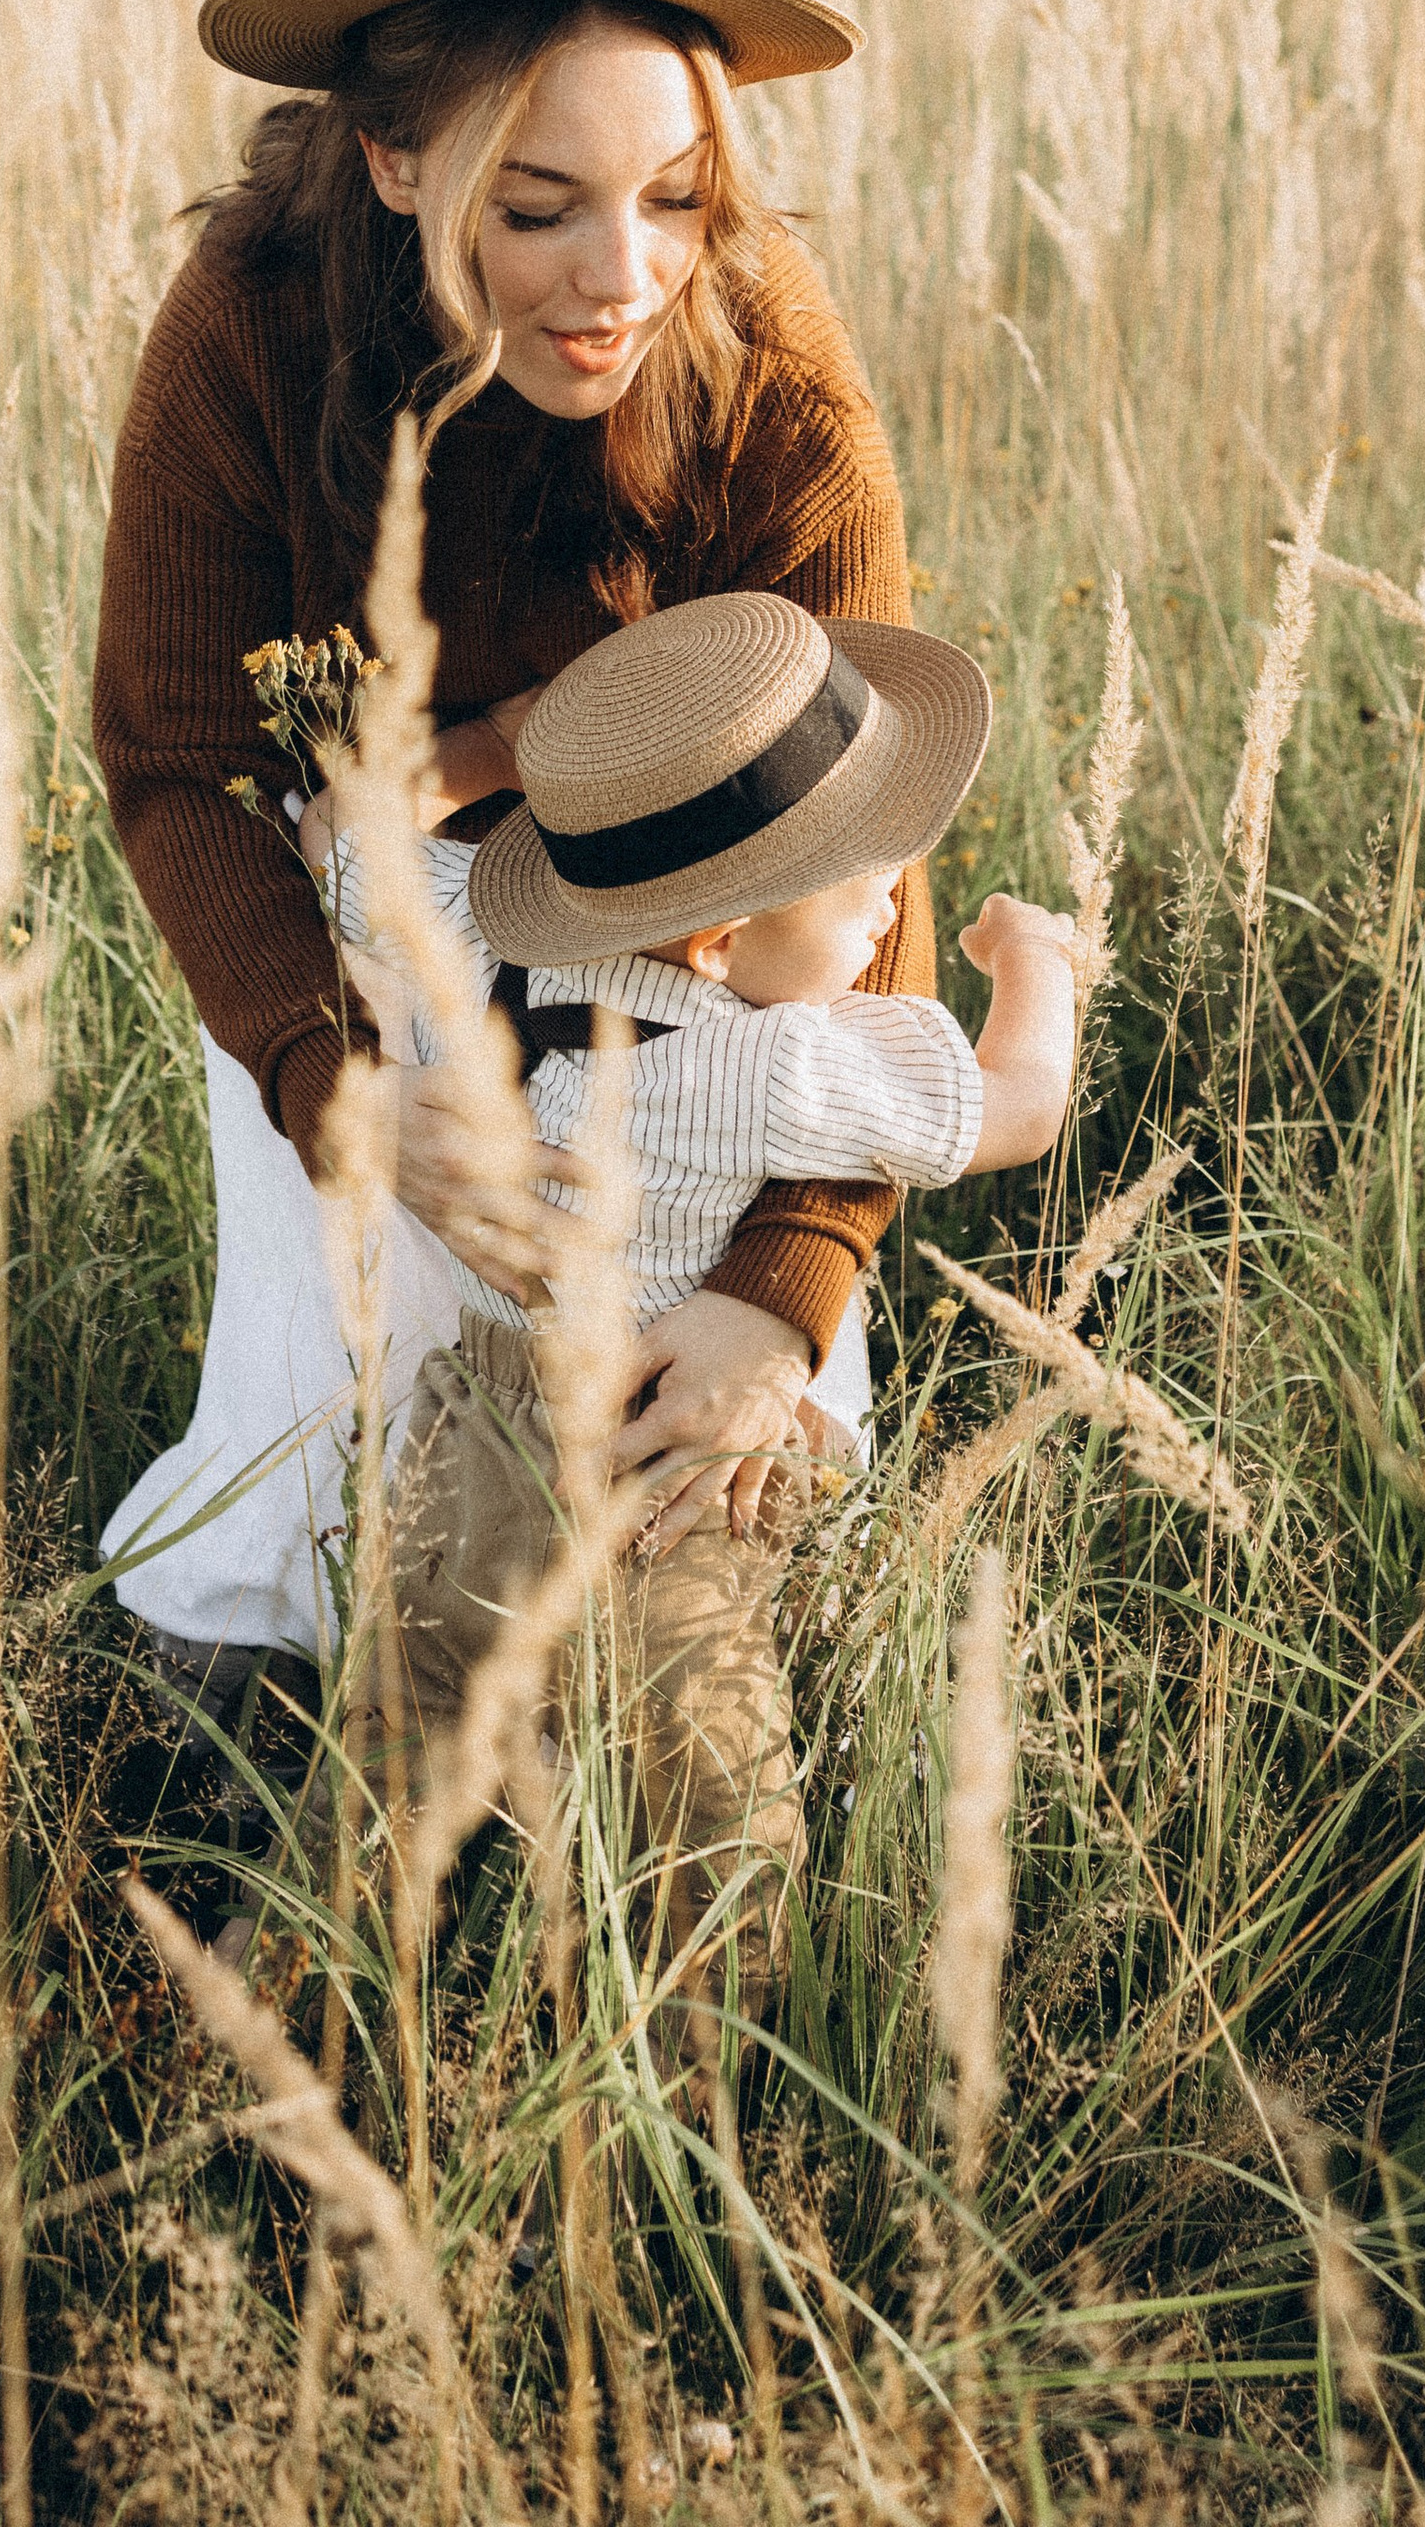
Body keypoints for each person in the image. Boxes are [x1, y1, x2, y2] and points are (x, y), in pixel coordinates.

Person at [93, 0, 936, 1677]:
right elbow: (171, 756)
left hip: (695, 951)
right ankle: (231, 1784)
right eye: (536, 206)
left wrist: (787, 1280)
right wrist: (336, 1082)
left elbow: (867, 811)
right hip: (352, 926)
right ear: (392, 155)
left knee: (703, 1464)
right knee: (318, 1476)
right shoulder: (256, 317)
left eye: (675, 198)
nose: (620, 275)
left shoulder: (767, 360)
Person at [303, 590, 1078, 2002]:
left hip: (473, 1439)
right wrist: (1039, 963)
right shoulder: (775, 1067)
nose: (890, 905)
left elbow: (339, 837)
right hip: (660, 1489)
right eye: (859, 893)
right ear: (717, 946)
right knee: (715, 1826)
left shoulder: (480, 943)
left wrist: (499, 750)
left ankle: (285, 1993)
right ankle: (701, 2123)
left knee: (398, 1735)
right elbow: (1021, 1105)